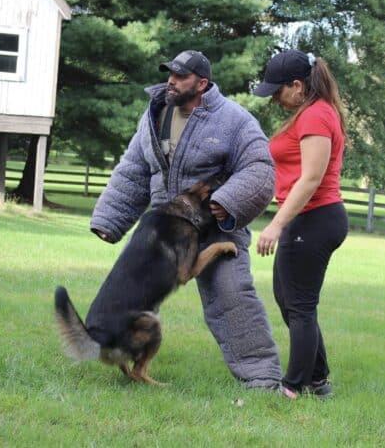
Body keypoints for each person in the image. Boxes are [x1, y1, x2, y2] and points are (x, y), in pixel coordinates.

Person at [90, 50, 281, 389]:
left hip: (215, 224)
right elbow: (135, 168)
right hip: (162, 230)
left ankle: (262, 381)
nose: (171, 81)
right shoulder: (155, 113)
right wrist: (110, 218)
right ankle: (130, 362)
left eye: (180, 76)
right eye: (170, 74)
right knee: (132, 300)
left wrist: (227, 199)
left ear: (203, 83)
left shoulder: (235, 120)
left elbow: (260, 168)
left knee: (232, 296)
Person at [253, 49, 349, 399]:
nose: (275, 99)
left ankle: (293, 387)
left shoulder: (315, 117)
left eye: (278, 91)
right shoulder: (310, 113)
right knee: (289, 299)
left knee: (300, 306)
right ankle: (318, 380)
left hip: (315, 218)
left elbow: (310, 179)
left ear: (297, 85)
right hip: (309, 218)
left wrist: (275, 225)